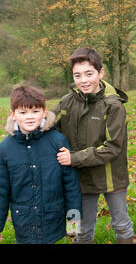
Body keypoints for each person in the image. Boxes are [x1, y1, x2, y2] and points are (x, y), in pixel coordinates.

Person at [52, 47, 134, 244]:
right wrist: (22, 125)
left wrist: (74, 158)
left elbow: (113, 147)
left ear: (101, 72)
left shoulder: (113, 105)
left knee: (121, 224)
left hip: (110, 175)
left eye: (89, 74)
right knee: (81, 229)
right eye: (77, 75)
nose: (83, 80)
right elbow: (46, 125)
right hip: (81, 178)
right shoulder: (66, 102)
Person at [0, 86, 81, 244]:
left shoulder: (58, 141)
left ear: (44, 112)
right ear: (13, 115)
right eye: (23, 112)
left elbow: (71, 184)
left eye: (35, 111)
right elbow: (1, 191)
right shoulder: (5, 149)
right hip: (23, 222)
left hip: (53, 219)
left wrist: (74, 220)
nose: (29, 117)